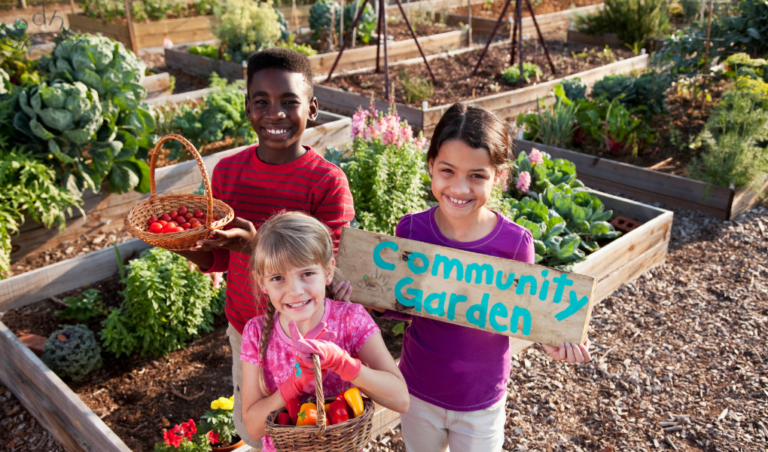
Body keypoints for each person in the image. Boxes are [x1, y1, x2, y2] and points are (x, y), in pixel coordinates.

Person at [376, 103, 592, 452]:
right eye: (447, 171)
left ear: (500, 177)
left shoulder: (515, 243)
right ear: (431, 166)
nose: (460, 188)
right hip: (418, 388)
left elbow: (518, 311)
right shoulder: (411, 228)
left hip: (482, 399)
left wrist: (549, 336)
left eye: (477, 175)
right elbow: (407, 301)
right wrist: (373, 301)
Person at [175, 48, 355, 448]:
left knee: (309, 428)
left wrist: (255, 245)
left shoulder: (326, 182)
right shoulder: (227, 174)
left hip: (309, 335)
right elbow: (218, 258)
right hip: (247, 330)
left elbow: (325, 267)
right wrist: (183, 244)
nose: (275, 113)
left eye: (290, 102)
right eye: (262, 102)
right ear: (247, 109)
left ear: (313, 109)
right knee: (256, 425)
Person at [239, 211, 409, 451]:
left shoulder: (351, 319)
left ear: (328, 270)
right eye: (278, 277)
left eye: (307, 273)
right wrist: (293, 386)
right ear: (261, 282)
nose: (295, 290)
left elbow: (400, 399)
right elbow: (254, 427)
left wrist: (344, 363)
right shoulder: (255, 333)